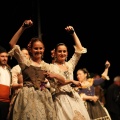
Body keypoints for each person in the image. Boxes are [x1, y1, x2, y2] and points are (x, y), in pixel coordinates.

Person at [8, 19, 68, 120]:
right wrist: (23, 27)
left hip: (42, 97)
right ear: (30, 49)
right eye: (36, 48)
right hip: (26, 97)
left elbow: (63, 80)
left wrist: (54, 75)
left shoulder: (47, 66)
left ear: (44, 49)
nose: (38, 51)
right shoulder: (25, 62)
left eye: (40, 48)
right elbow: (12, 44)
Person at [48, 26, 90, 120]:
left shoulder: (70, 65)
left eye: (64, 51)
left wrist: (73, 33)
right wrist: (72, 81)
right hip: (61, 99)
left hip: (73, 97)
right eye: (59, 51)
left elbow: (79, 50)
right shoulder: (51, 67)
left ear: (67, 53)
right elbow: (57, 84)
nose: (62, 53)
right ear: (55, 53)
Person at [0, 46, 12, 120]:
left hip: (6, 101)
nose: (5, 58)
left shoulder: (9, 70)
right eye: (2, 56)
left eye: (6, 56)